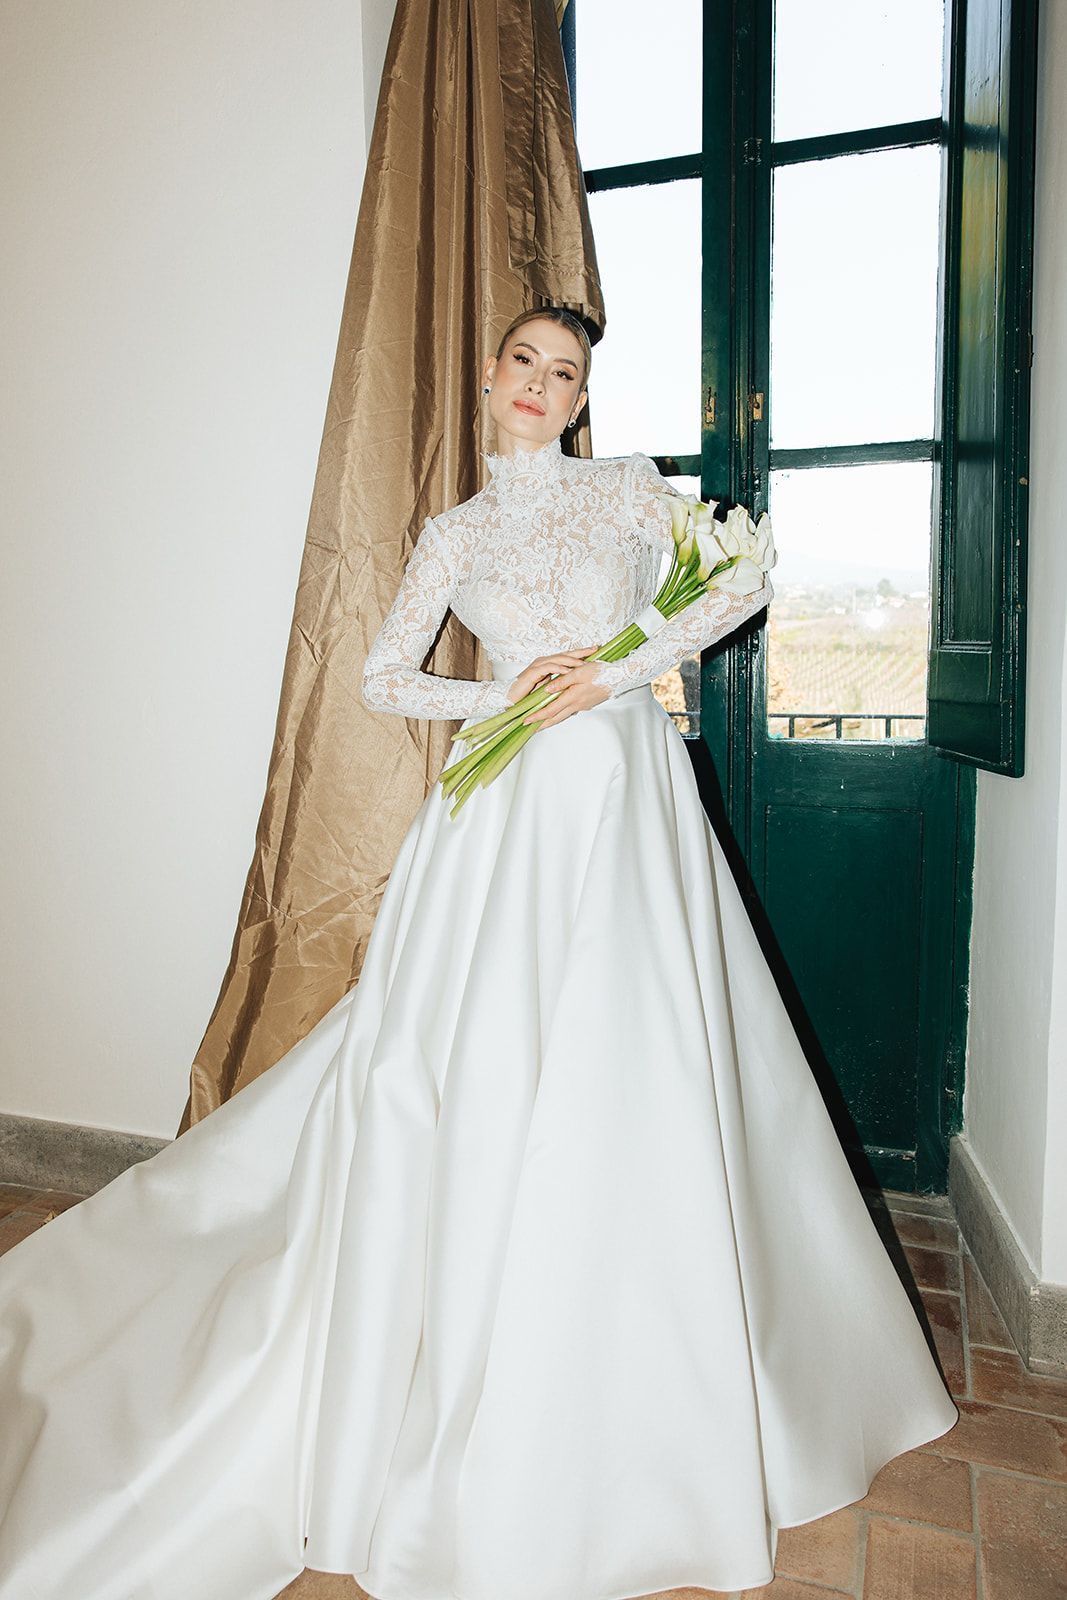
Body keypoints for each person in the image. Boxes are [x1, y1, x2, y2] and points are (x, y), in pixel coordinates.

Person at [0, 306, 958, 1600]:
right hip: (501, 816)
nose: (542, 386)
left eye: (566, 374)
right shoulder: (454, 533)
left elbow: (742, 581)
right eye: (525, 363)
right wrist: (503, 695)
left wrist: (618, 665)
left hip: (623, 799)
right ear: (491, 374)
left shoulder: (625, 495)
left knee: (644, 1054)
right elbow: (384, 678)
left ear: (579, 400)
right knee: (481, 1060)